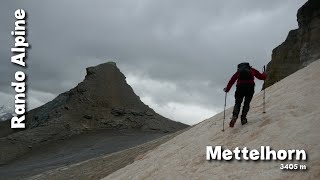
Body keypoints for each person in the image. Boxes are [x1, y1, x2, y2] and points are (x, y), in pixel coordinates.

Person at [224, 62, 267, 127]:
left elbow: (232, 80)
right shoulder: (252, 70)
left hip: (240, 88)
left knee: (238, 103)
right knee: (246, 103)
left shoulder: (239, 72)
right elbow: (262, 77)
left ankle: (235, 116)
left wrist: (227, 89)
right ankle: (243, 118)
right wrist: (264, 73)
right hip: (250, 87)